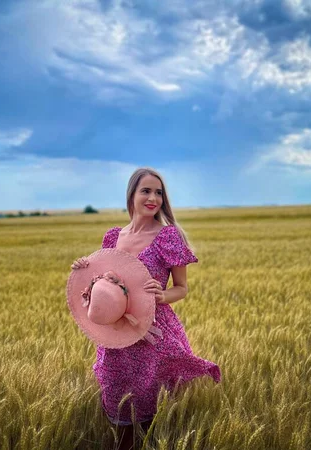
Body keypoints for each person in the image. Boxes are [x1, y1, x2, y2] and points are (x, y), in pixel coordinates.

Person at [71, 167, 221, 449]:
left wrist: (162, 296)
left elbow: (182, 288)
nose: (153, 198)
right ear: (132, 195)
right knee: (117, 408)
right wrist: (84, 273)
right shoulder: (112, 237)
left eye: (159, 192)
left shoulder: (168, 236)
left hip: (153, 333)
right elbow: (101, 285)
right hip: (116, 335)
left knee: (153, 409)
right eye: (146, 191)